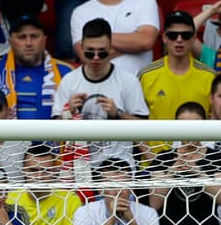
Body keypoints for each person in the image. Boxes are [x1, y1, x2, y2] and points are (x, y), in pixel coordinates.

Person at [51, 17, 150, 169]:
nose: (96, 58)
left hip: (118, 169)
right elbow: (55, 137)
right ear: (81, 47)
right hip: (78, 168)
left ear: (111, 48)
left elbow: (145, 131)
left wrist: (118, 113)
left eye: (102, 53)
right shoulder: (69, 81)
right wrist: (68, 112)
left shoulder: (128, 81)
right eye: (90, 53)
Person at [148, 100, 221, 225]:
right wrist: (172, 172)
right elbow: (155, 202)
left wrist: (198, 173)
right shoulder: (163, 158)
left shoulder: (216, 157)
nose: (188, 131)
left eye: (194, 125)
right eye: (183, 125)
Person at [0, 15, 74, 120]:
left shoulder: (65, 72)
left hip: (52, 135)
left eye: (34, 36)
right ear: (10, 42)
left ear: (44, 40)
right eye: (22, 37)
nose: (28, 43)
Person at [139, 10, 217, 122]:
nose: (179, 40)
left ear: (194, 37)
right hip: (158, 140)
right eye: (173, 36)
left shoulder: (209, 76)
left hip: (197, 139)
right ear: (164, 37)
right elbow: (137, 119)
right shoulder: (146, 75)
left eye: (185, 35)